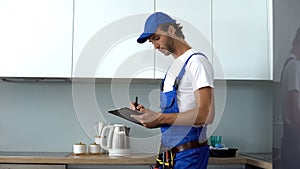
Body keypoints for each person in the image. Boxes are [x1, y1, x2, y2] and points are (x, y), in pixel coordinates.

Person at [130, 12, 215, 169]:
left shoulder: (196, 63)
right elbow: (176, 113)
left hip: (189, 155)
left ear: (170, 31)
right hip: (169, 155)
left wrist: (159, 118)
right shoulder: (174, 68)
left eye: (156, 38)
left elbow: (207, 115)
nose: (155, 46)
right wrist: (148, 115)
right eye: (151, 41)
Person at [280, 28, 300, 169]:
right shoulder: (294, 66)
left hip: (289, 138)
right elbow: (294, 112)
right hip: (294, 139)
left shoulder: (288, 64)